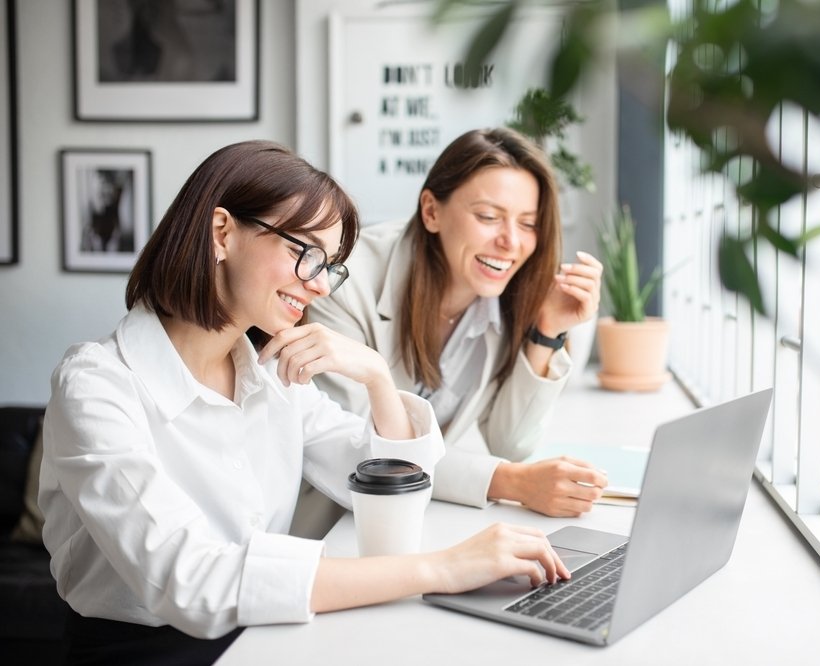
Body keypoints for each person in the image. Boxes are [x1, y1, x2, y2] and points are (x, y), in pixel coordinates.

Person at [39, 140, 569, 665]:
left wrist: (377, 376)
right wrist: (444, 568)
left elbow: (394, 481)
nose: (319, 285)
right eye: (304, 253)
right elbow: (192, 581)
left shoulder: (271, 376)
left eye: (330, 265)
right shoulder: (98, 385)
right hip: (144, 653)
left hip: (269, 632)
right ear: (221, 233)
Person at [302, 127, 607, 532]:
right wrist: (512, 483)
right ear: (431, 211)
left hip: (421, 519)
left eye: (528, 224)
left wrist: (546, 332)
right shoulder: (344, 283)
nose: (510, 242)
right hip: (335, 527)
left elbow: (509, 443)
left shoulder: (508, 294)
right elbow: (366, 453)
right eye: (488, 217)